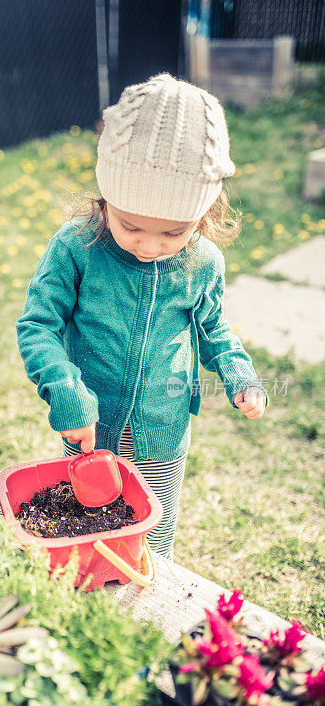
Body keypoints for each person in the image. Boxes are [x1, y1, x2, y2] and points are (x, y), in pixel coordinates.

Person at [15, 73, 268, 560]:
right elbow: (38, 325)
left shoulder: (204, 261)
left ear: (205, 212)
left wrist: (239, 373)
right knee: (86, 521)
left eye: (173, 233)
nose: (149, 246)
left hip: (163, 428)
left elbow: (213, 327)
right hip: (90, 425)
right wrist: (65, 388)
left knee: (151, 535)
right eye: (130, 225)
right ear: (107, 196)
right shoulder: (75, 246)